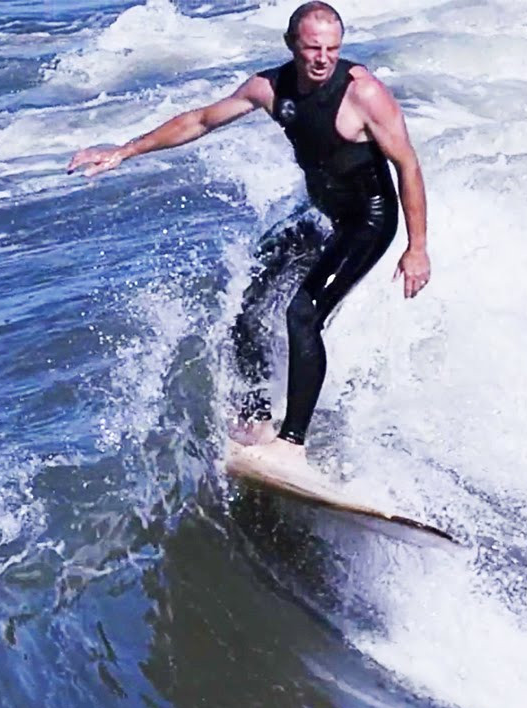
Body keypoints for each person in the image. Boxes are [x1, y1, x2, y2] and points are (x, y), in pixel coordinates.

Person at [68, 1, 429, 479]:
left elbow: (408, 165)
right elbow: (200, 121)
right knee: (250, 299)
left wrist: (417, 246)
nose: (322, 58)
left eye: (332, 49)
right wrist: (125, 150)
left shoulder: (365, 95)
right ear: (291, 46)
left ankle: (292, 444)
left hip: (368, 220)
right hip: (322, 214)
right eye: (312, 48)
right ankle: (255, 419)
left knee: (302, 313)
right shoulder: (269, 88)